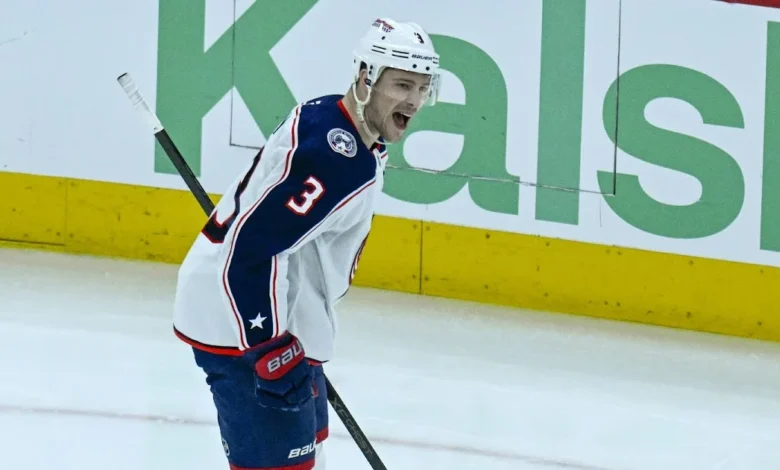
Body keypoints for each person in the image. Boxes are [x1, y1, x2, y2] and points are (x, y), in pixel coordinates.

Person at [171, 17, 441, 470]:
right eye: (402, 85)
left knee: (309, 454)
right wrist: (267, 347)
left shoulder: (336, 120)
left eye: (422, 88)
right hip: (242, 323)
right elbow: (251, 250)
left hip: (285, 319)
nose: (414, 100)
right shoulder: (334, 159)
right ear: (366, 77)